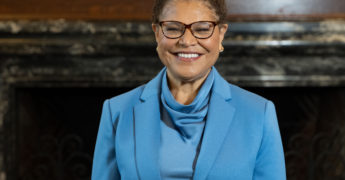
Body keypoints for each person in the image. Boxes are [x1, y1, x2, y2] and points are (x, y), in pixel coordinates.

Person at [92, 0, 286, 179]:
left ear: (221, 34)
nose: (186, 41)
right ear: (157, 33)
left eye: (202, 29)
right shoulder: (116, 111)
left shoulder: (259, 113)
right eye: (173, 28)